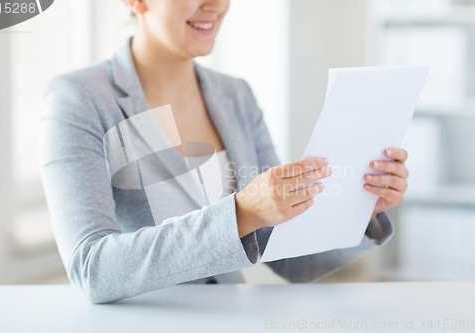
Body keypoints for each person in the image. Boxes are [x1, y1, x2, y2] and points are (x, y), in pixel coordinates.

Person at [39, 0, 408, 304]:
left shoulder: (236, 96)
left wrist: (360, 213)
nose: (215, 5)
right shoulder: (79, 98)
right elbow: (92, 267)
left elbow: (285, 255)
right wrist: (241, 213)